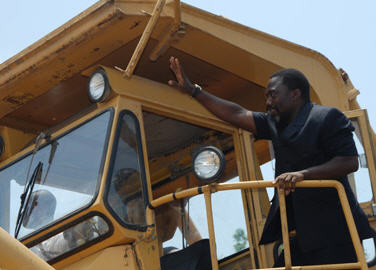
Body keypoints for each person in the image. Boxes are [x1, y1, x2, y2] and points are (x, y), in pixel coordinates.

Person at [167, 56, 373, 266]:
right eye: (267, 96)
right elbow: (236, 113)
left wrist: (303, 175)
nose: (268, 102)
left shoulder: (328, 117)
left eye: (273, 95)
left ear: (295, 94)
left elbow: (349, 162)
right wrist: (194, 91)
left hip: (335, 232)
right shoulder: (274, 124)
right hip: (300, 235)